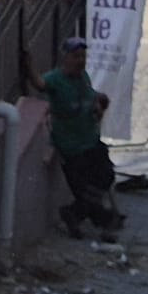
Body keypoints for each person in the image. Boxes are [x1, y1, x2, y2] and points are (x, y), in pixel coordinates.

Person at [30, 37, 122, 238]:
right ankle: (102, 220)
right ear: (66, 58)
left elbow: (89, 96)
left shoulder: (83, 78)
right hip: (71, 146)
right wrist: (27, 63)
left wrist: (99, 101)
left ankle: (75, 214)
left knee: (105, 175)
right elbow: (39, 83)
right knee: (83, 188)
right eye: (76, 56)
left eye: (83, 56)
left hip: (89, 139)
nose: (80, 61)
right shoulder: (56, 79)